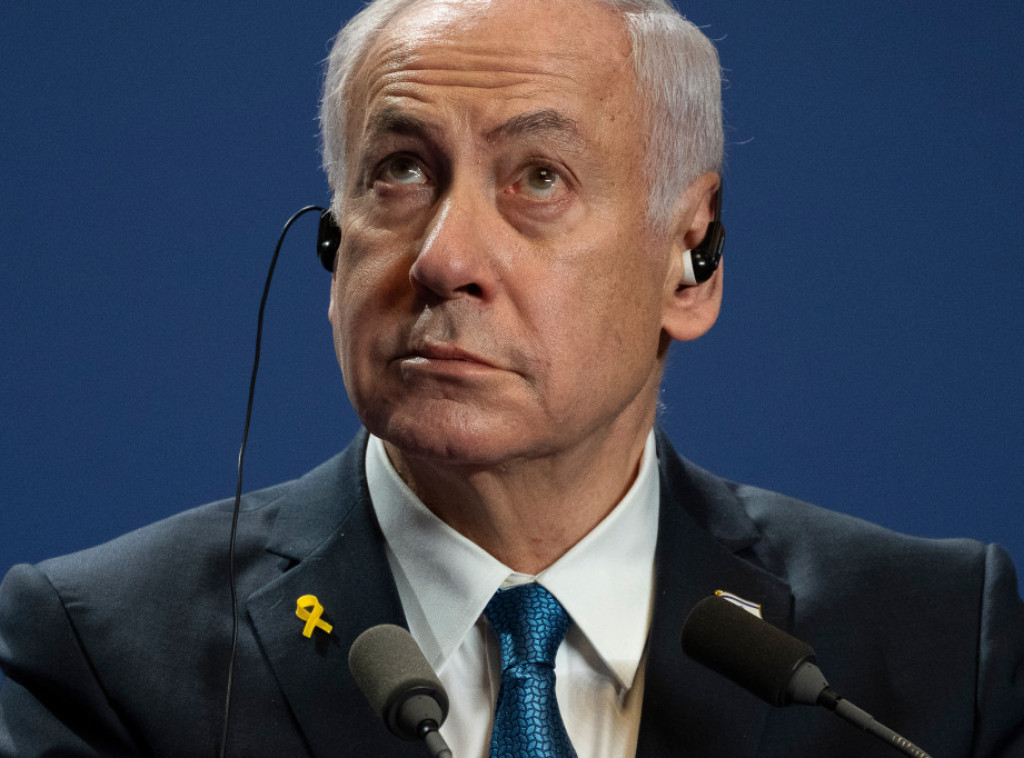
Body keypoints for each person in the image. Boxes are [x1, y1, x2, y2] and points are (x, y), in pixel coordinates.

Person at [1, 0, 1022, 755]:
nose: (444, 259)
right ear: (333, 240)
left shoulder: (935, 648)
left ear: (692, 258)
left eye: (539, 177)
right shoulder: (99, 656)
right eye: (400, 170)